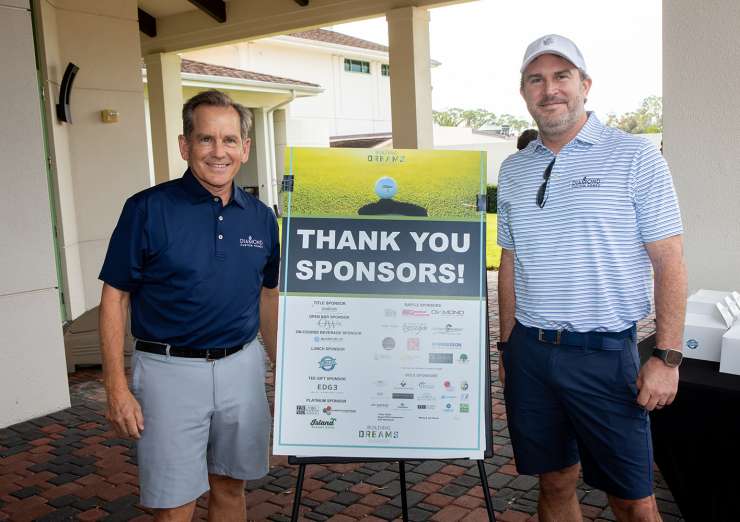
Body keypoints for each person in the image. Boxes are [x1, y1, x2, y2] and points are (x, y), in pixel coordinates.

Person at [496, 34, 687, 522]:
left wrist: (667, 357)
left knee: (632, 499)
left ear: (585, 84)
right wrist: (507, 346)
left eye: (562, 76)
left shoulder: (635, 156)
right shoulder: (514, 169)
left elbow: (669, 260)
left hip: (604, 355)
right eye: (536, 80)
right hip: (532, 355)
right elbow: (511, 261)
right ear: (524, 93)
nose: (549, 89)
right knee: (555, 481)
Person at [98, 89, 280, 521]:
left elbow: (268, 295)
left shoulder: (261, 217)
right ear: (185, 145)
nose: (219, 152)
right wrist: (116, 387)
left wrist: (281, 366)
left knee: (231, 487)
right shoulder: (146, 209)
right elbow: (114, 296)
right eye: (206, 139)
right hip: (168, 372)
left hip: (242, 368)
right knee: (174, 504)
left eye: (230, 140)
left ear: (245, 148)